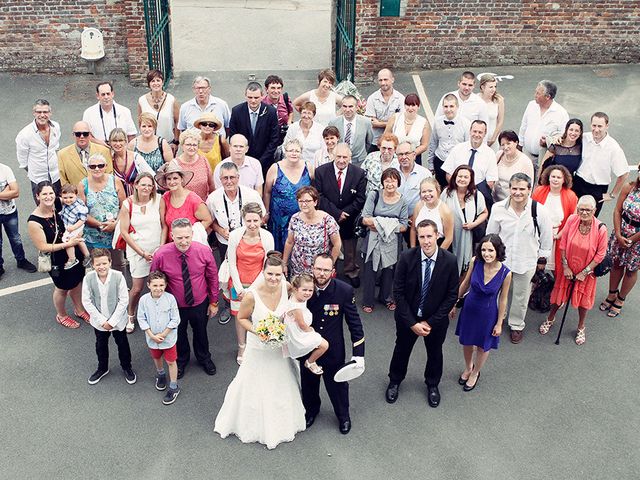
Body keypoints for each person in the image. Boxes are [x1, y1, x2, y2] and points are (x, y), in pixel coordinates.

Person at [214, 252, 306, 449]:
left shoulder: (287, 288)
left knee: (280, 379)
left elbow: (297, 305)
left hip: (278, 347)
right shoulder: (251, 295)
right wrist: (259, 331)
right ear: (263, 272)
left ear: (283, 274)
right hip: (258, 345)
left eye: (278, 275)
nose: (273, 278)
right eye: (270, 274)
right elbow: (241, 318)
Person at [385, 220, 458, 408]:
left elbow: (452, 295)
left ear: (437, 236)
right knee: (401, 349)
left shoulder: (449, 260)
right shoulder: (406, 257)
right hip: (407, 318)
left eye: (429, 236)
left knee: (435, 353)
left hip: (435, 321)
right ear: (417, 237)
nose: (426, 241)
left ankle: (432, 384)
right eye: (422, 236)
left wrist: (430, 322)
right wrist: (412, 323)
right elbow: (398, 293)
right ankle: (395, 380)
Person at [486, 172, 553, 344]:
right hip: (502, 261)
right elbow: (491, 234)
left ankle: (516, 325)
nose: (518, 192)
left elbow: (546, 238)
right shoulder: (498, 208)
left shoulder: (540, 211)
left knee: (521, 296)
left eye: (522, 189)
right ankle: (498, 320)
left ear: (529, 190)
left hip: (527, 260)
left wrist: (541, 261)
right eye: (514, 188)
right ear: (509, 189)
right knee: (499, 293)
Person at [304, 253, 365, 435]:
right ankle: (311, 410)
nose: (321, 274)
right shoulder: (303, 288)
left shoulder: (344, 291)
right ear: (312, 269)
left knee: (337, 386)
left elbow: (354, 323)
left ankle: (343, 416)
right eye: (318, 269)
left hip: (333, 349)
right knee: (308, 384)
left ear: (333, 271)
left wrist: (358, 354)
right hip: (308, 348)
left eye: (326, 270)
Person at [151, 218, 219, 379]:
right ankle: (181, 361)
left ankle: (204, 358)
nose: (184, 241)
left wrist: (214, 302)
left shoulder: (203, 251)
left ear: (192, 234)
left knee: (201, 332)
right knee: (178, 334)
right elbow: (154, 279)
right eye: (179, 237)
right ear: (172, 236)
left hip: (199, 302)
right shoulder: (161, 255)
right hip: (174, 305)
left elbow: (212, 277)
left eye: (187, 237)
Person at [539, 196, 607, 345]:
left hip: (587, 272)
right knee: (558, 297)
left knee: (583, 302)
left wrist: (585, 272)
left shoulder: (601, 228)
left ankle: (581, 326)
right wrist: (565, 266)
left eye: (588, 210)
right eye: (581, 209)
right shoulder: (571, 220)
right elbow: (562, 245)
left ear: (594, 210)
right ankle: (550, 318)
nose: (584, 212)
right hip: (568, 268)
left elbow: (600, 254)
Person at [452, 234, 511, 391]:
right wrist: (453, 303)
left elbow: (503, 299)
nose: (486, 254)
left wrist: (499, 323)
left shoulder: (506, 273)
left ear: (498, 251)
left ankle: (475, 373)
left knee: (482, 347)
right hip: (469, 310)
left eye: (490, 250)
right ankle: (468, 367)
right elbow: (465, 284)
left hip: (488, 314)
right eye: (484, 250)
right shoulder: (475, 262)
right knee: (467, 342)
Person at [27, 181, 88, 328]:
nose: (48, 197)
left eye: (51, 193)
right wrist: (68, 244)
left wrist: (80, 228)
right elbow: (43, 246)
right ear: (37, 196)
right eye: (44, 194)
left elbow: (77, 204)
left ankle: (79, 309)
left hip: (73, 251)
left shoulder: (60, 203)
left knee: (77, 281)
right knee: (62, 288)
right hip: (57, 259)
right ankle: (61, 315)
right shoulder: (34, 222)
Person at [227, 202, 274, 365]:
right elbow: (231, 262)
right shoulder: (235, 236)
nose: (252, 224)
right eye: (249, 221)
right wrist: (239, 288)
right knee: (240, 317)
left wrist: (252, 290)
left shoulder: (267, 237)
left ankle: (258, 345)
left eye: (256, 220)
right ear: (243, 220)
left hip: (260, 283)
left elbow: (268, 266)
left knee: (258, 315)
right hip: (239, 283)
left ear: (261, 219)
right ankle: (242, 346)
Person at [314, 143, 367, 286]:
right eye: (338, 156)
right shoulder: (321, 171)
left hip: (349, 218)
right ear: (332, 155)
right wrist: (337, 213)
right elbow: (319, 195)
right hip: (328, 216)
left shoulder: (359, 173)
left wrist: (346, 213)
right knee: (328, 247)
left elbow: (361, 198)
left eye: (345, 157)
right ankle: (330, 271)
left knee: (350, 249)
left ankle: (351, 271)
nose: (341, 160)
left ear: (350, 158)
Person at [82, 248, 136, 385]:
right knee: (101, 345)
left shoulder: (118, 276)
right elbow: (86, 301)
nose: (101, 267)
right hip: (99, 323)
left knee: (122, 344)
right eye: (98, 264)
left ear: (110, 263)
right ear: (93, 265)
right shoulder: (88, 278)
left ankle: (127, 367)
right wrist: (101, 321)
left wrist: (112, 321)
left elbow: (124, 300)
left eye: (104, 263)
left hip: (118, 322)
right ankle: (102, 368)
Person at [118, 172, 162, 334]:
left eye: (150, 185)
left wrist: (161, 248)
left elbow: (164, 225)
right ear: (135, 185)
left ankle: (157, 312)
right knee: (137, 288)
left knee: (160, 284)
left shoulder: (159, 200)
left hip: (157, 250)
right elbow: (124, 232)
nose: (146, 188)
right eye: (143, 184)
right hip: (138, 251)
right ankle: (130, 313)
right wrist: (142, 253)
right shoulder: (127, 204)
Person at [360, 168, 409, 312]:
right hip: (373, 240)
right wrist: (389, 223)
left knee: (389, 270)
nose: (390, 184)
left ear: (398, 182)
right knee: (370, 269)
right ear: (382, 182)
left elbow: (404, 226)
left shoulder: (402, 201)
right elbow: (365, 218)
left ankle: (386, 297)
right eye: (387, 180)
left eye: (393, 180)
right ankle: (367, 301)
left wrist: (379, 224)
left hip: (391, 241)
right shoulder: (374, 195)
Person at [137, 270, 182, 404]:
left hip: (168, 339)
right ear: (148, 285)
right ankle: (161, 374)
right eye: (155, 285)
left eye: (161, 285)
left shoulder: (170, 299)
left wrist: (163, 334)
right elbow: (141, 318)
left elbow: (175, 319)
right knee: (156, 357)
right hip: (152, 339)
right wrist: (151, 335)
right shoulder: (144, 300)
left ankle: (174, 387)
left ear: (166, 285)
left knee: (171, 361)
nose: (158, 288)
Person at [77, 153, 127, 272]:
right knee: (98, 266)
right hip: (94, 236)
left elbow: (124, 206)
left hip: (115, 234)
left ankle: (121, 288)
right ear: (88, 168)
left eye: (100, 165)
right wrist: (100, 224)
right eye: (93, 166)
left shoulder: (115, 181)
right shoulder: (83, 185)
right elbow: (81, 212)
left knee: (118, 264)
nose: (97, 169)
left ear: (106, 166)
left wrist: (115, 224)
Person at [573, 112, 629, 217]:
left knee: (588, 220)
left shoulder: (613, 148)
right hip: (578, 183)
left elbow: (624, 174)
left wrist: (612, 195)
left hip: (597, 189)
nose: (596, 129)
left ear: (607, 126)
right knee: (571, 216)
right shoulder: (584, 138)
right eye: (594, 125)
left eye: (600, 126)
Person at [600, 171, 640, 317]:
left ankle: (620, 299)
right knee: (616, 263)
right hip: (621, 230)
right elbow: (617, 211)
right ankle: (612, 294)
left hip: (638, 239)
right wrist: (618, 234)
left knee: (631, 270)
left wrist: (631, 240)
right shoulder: (629, 187)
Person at [206, 162, 265, 259]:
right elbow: (210, 221)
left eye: (232, 177)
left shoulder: (252, 195)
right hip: (225, 243)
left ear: (238, 177)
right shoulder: (212, 198)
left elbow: (263, 217)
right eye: (225, 178)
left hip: (249, 241)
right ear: (220, 179)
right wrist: (220, 231)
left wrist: (249, 228)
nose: (229, 181)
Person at [264, 138, 313, 252]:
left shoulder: (308, 167)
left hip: (302, 217)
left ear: (301, 152)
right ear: (285, 152)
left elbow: (314, 190)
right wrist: (266, 212)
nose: (294, 153)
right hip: (279, 219)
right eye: (291, 150)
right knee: (279, 250)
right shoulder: (275, 168)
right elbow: (267, 192)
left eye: (297, 151)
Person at [283, 186, 341, 277]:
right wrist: (284, 263)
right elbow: (289, 242)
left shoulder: (327, 220)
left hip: (319, 270)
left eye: (307, 201)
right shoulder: (295, 218)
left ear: (315, 202)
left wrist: (329, 265)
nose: (304, 204)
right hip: (298, 268)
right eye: (301, 201)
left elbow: (337, 244)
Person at [441, 165, 488, 275]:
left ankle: (461, 290)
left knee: (465, 269)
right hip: (450, 236)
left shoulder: (476, 195)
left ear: (471, 179)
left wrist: (474, 224)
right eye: (459, 176)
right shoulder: (446, 193)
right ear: (455, 177)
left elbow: (485, 212)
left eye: (466, 177)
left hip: (468, 237)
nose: (462, 179)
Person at [518, 80, 569, 178]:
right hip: (527, 154)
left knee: (540, 183)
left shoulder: (561, 113)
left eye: (538, 93)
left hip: (545, 158)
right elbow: (523, 126)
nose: (535, 95)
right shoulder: (531, 105)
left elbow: (563, 138)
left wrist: (548, 142)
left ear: (548, 97)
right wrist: (520, 146)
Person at [532, 165, 578, 273]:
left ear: (564, 180)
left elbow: (572, 220)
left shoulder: (571, 196)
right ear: (548, 177)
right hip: (539, 233)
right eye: (553, 176)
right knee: (535, 265)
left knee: (557, 269)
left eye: (558, 177)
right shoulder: (539, 191)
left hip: (558, 235)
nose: (555, 180)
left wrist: (559, 235)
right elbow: (531, 212)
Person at [442, 120, 497, 209]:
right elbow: (448, 173)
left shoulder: (490, 154)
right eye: (474, 131)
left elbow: (490, 182)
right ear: (470, 131)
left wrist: (472, 193)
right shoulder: (458, 148)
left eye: (480, 132)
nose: (477, 134)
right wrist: (459, 189)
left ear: (485, 134)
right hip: (456, 191)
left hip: (477, 194)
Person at [15, 99, 62, 201]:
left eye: (45, 112)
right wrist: (35, 170)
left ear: (50, 113)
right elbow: (22, 160)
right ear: (34, 113)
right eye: (39, 112)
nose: (42, 115)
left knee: (59, 207)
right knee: (43, 209)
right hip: (38, 179)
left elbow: (55, 148)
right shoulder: (25, 134)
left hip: (56, 176)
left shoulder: (56, 127)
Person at [229, 81, 279, 174]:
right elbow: (233, 137)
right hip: (242, 161)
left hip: (265, 163)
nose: (253, 100)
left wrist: (261, 161)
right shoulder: (237, 111)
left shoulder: (271, 112)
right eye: (250, 97)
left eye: (256, 97)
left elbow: (274, 139)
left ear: (262, 96)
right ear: (245, 96)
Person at [156, 161, 212, 244]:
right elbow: (164, 226)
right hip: (171, 245)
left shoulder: (193, 199)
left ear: (181, 179)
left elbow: (208, 220)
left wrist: (191, 235)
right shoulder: (165, 198)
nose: (172, 182)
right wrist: (162, 247)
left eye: (175, 178)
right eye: (169, 179)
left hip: (190, 244)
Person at [283, 273, 329, 374]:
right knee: (324, 345)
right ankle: (310, 362)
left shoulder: (298, 296)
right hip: (299, 334)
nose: (307, 293)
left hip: (301, 329)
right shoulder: (296, 307)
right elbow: (302, 325)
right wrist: (311, 331)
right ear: (295, 289)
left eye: (310, 290)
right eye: (304, 290)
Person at [0, 162, 38, 277]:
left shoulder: (5, 169)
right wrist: (5, 192)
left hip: (9, 212)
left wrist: (9, 192)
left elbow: (16, 192)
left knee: (15, 238)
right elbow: (11, 192)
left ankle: (21, 261)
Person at [427, 94, 470, 188]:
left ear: (457, 107)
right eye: (446, 106)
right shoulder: (437, 122)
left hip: (457, 163)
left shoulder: (466, 123)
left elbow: (468, 147)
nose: (448, 109)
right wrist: (431, 164)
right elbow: (433, 142)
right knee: (440, 189)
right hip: (440, 160)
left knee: (456, 189)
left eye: (451, 106)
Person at [58, 121, 113, 187]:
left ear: (90, 135)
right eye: (78, 134)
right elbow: (63, 180)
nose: (82, 136)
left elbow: (109, 176)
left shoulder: (104, 151)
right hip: (76, 195)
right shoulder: (62, 154)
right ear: (73, 135)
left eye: (85, 134)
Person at [137, 69, 180, 152]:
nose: (156, 83)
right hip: (148, 144)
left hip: (168, 143)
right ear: (149, 84)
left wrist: (176, 141)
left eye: (158, 80)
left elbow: (177, 122)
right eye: (153, 81)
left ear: (162, 82)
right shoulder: (142, 100)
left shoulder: (171, 100)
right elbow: (140, 121)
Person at [82, 81, 137, 145]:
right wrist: (99, 143)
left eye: (108, 94)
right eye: (103, 94)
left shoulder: (125, 111)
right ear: (97, 96)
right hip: (99, 149)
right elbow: (85, 134)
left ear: (112, 94)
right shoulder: (88, 113)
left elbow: (131, 135)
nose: (106, 97)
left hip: (121, 149)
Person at [384, 93, 431, 163]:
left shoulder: (424, 122)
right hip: (395, 157)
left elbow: (424, 145)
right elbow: (386, 137)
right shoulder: (395, 117)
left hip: (414, 158)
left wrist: (411, 154)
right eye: (408, 105)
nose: (410, 108)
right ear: (404, 105)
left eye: (413, 105)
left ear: (418, 106)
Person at [328, 95, 374, 166]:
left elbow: (369, 141)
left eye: (350, 106)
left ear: (356, 107)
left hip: (359, 162)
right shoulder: (333, 122)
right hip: (339, 161)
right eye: (345, 106)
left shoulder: (366, 122)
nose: (347, 110)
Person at [410, 177, 454, 250]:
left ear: (437, 191)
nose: (427, 194)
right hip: (420, 245)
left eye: (430, 191)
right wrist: (413, 249)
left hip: (440, 246)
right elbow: (413, 229)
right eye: (424, 191)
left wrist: (437, 256)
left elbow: (449, 238)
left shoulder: (445, 211)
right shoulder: (418, 206)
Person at [365, 68, 406, 146]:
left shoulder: (401, 99)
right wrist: (391, 122)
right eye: (380, 80)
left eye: (385, 79)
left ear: (392, 80)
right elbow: (371, 122)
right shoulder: (372, 98)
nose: (383, 83)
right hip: (376, 141)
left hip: (394, 141)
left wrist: (380, 123)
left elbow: (401, 123)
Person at [109, 128, 154, 197]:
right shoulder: (109, 159)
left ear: (126, 141)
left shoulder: (136, 157)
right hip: (119, 201)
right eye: (114, 141)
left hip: (138, 198)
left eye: (120, 140)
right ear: (110, 142)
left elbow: (151, 176)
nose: (118, 144)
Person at [493, 130, 534, 202]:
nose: (505, 147)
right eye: (503, 145)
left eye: (508, 143)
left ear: (516, 143)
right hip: (496, 202)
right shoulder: (499, 155)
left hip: (515, 203)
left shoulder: (525, 162)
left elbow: (529, 188)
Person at [175, 129, 214, 201]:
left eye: (194, 145)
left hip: (202, 205)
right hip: (183, 206)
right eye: (188, 144)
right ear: (182, 145)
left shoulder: (203, 160)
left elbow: (211, 184)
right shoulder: (175, 163)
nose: (192, 147)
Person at [396, 141, 432, 220]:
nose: (404, 157)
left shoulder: (425, 174)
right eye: (400, 154)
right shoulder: (391, 173)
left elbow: (430, 199)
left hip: (417, 219)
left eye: (407, 153)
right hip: (395, 219)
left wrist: (415, 217)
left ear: (414, 155)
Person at [282, 101, 325, 166]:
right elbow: (285, 147)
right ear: (300, 113)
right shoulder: (293, 128)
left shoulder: (320, 129)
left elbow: (323, 150)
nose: (306, 116)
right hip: (294, 166)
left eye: (309, 113)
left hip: (314, 167)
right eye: (304, 112)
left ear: (313, 115)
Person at [60, 183, 91, 269]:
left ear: (76, 195)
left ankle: (72, 258)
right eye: (65, 198)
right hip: (71, 225)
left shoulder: (79, 207)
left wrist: (73, 228)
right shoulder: (68, 204)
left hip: (75, 226)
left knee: (68, 241)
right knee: (78, 240)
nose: (68, 200)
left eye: (71, 197)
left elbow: (82, 219)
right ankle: (87, 255)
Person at [262, 74, 294, 144]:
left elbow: (291, 111)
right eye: (273, 88)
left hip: (283, 136)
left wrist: (289, 124)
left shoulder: (285, 99)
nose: (276, 91)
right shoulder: (262, 103)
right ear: (266, 89)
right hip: (268, 137)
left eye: (278, 88)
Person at [478, 74, 505, 151]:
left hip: (492, 140)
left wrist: (493, 139)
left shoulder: (499, 100)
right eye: (490, 87)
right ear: (482, 87)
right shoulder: (476, 99)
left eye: (495, 86)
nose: (493, 89)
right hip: (478, 137)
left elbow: (500, 121)